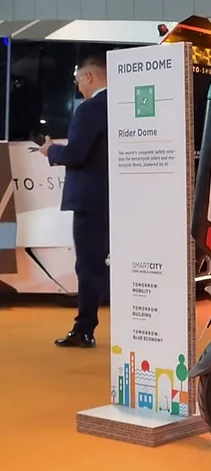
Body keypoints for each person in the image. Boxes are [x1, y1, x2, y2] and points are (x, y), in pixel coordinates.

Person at [41, 53, 110, 349]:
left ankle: (85, 329)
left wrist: (50, 151)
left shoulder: (90, 109)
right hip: (117, 200)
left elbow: (75, 154)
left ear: (89, 77)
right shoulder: (123, 106)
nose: (77, 87)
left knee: (89, 266)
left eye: (77, 80)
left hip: (89, 202)